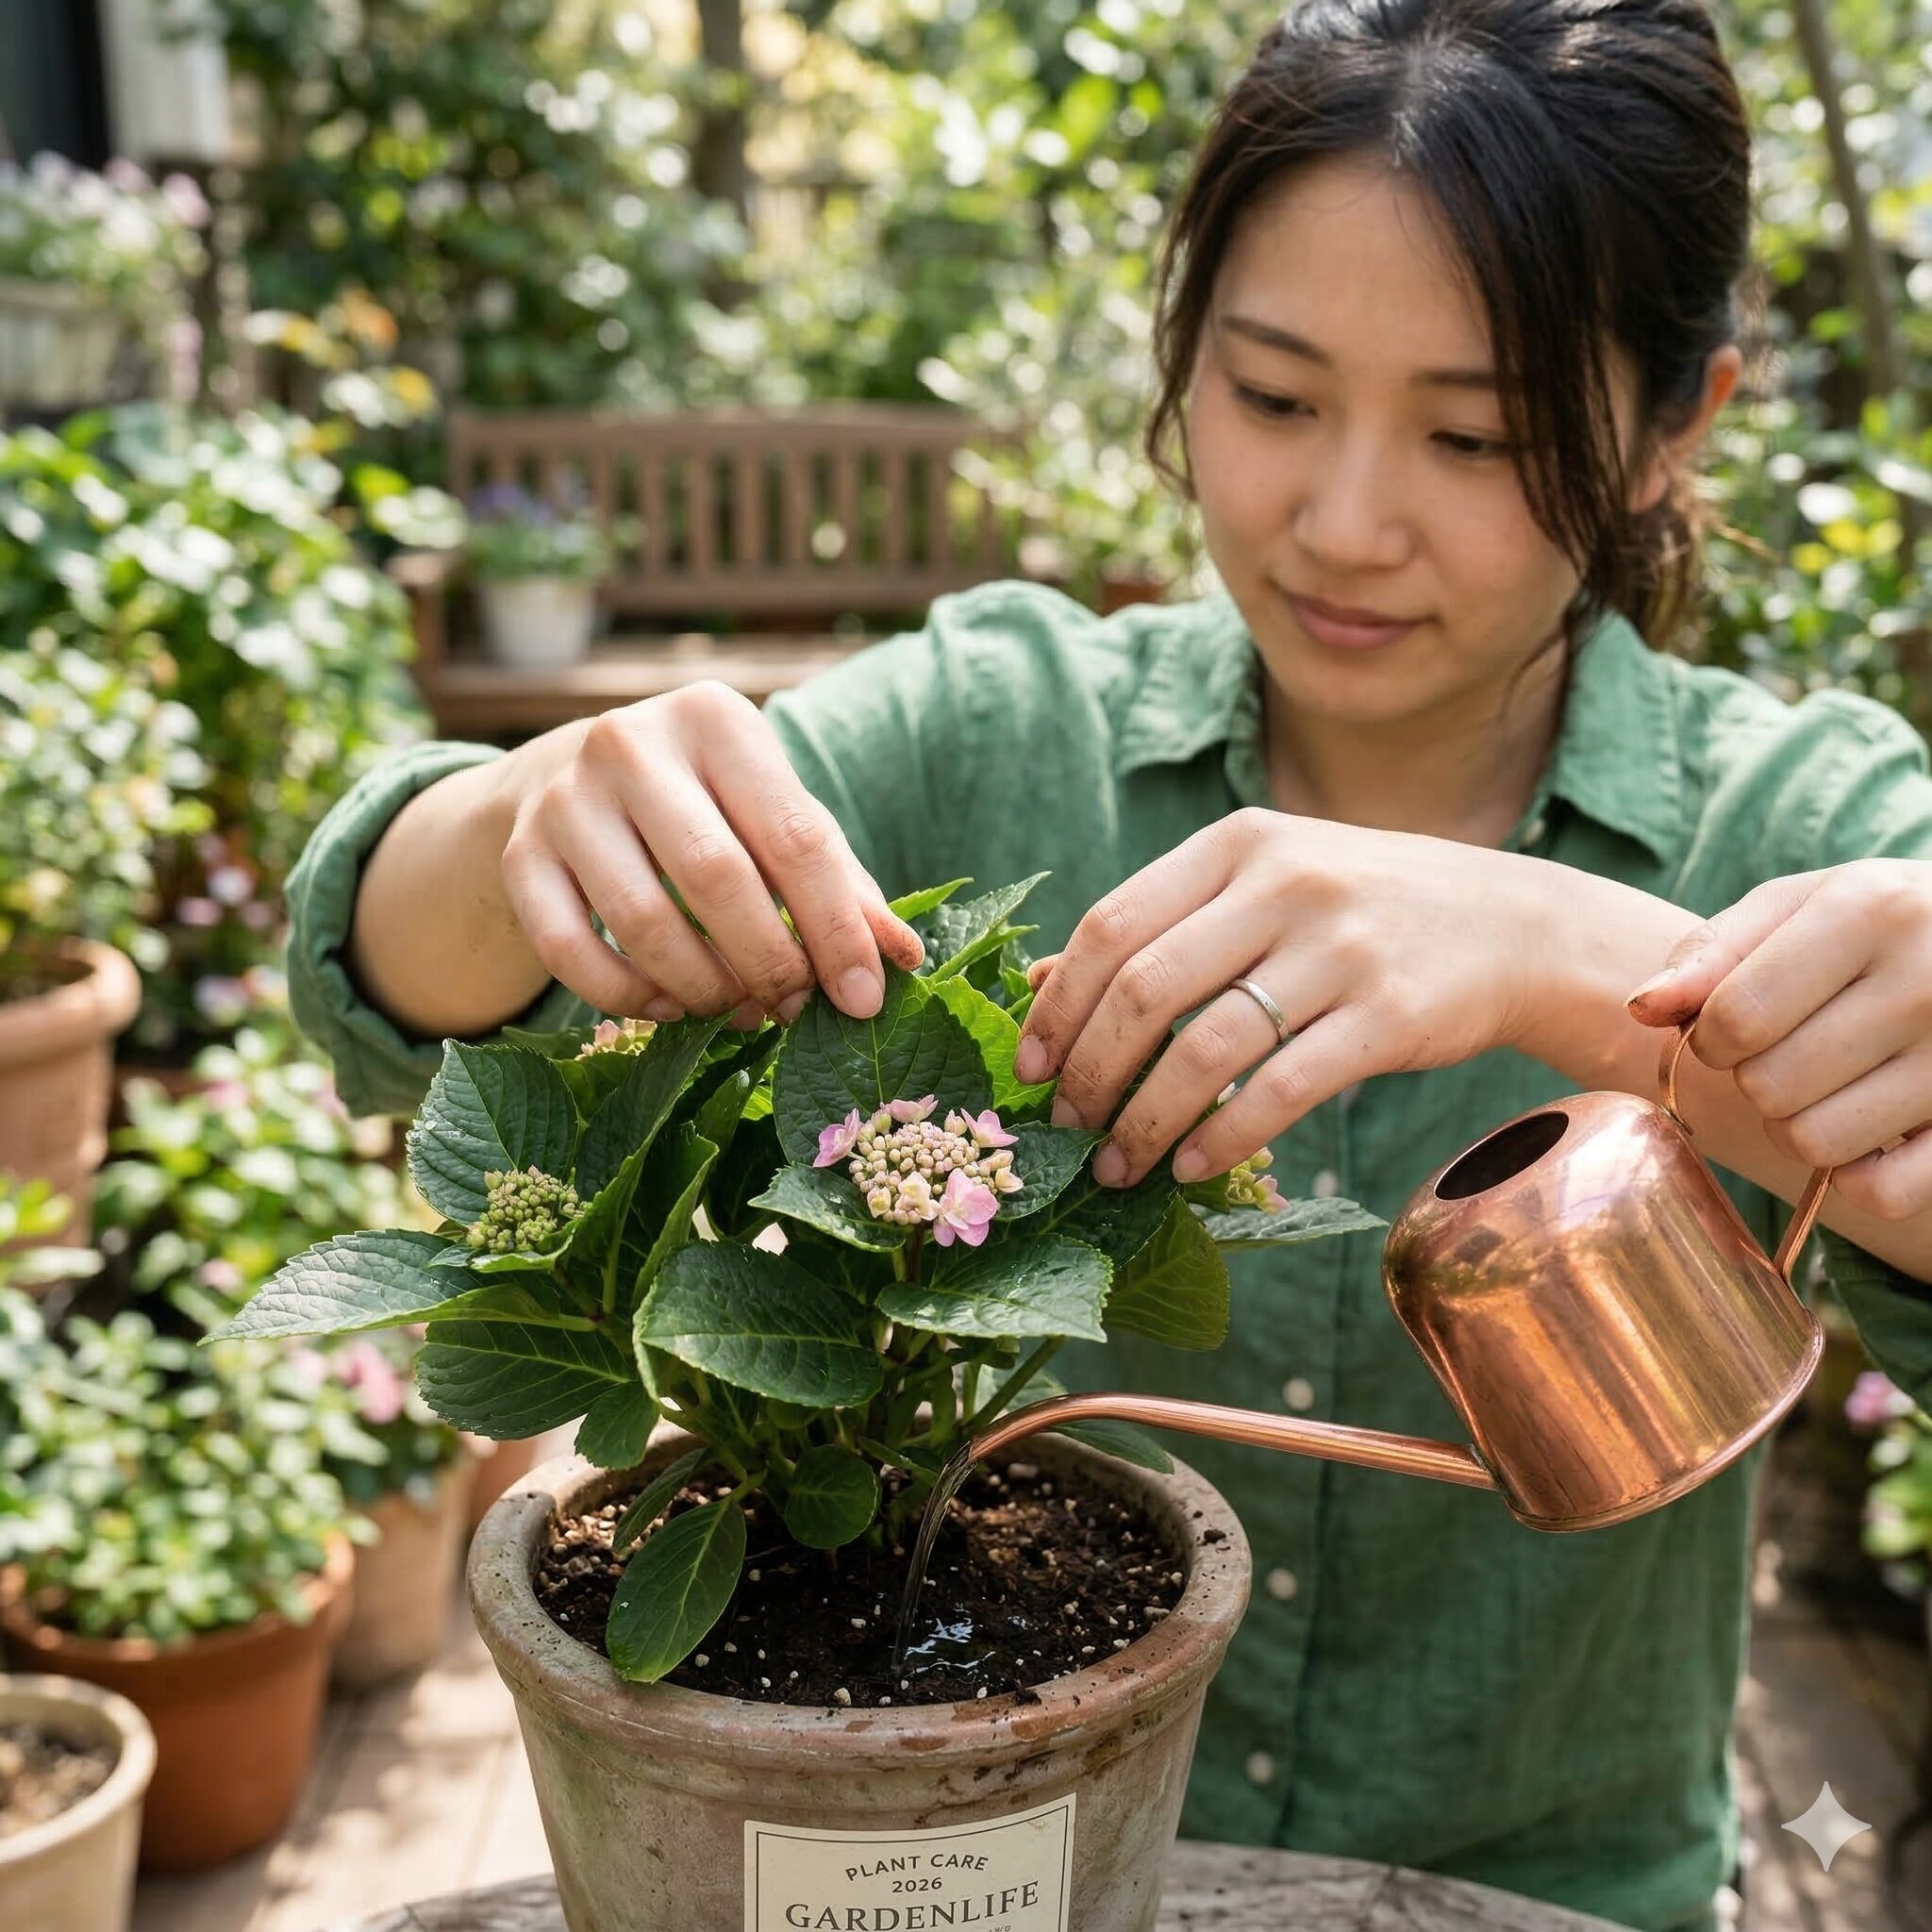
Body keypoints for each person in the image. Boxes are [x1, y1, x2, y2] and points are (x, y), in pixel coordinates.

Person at [288, 3, 1932, 1927]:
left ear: (1678, 428)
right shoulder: (1001, 732)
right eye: (1271, 394)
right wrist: (514, 834)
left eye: (1473, 434)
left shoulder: (1796, 816)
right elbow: (384, 980)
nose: (1338, 521)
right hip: (973, 1867)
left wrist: (1562, 959)